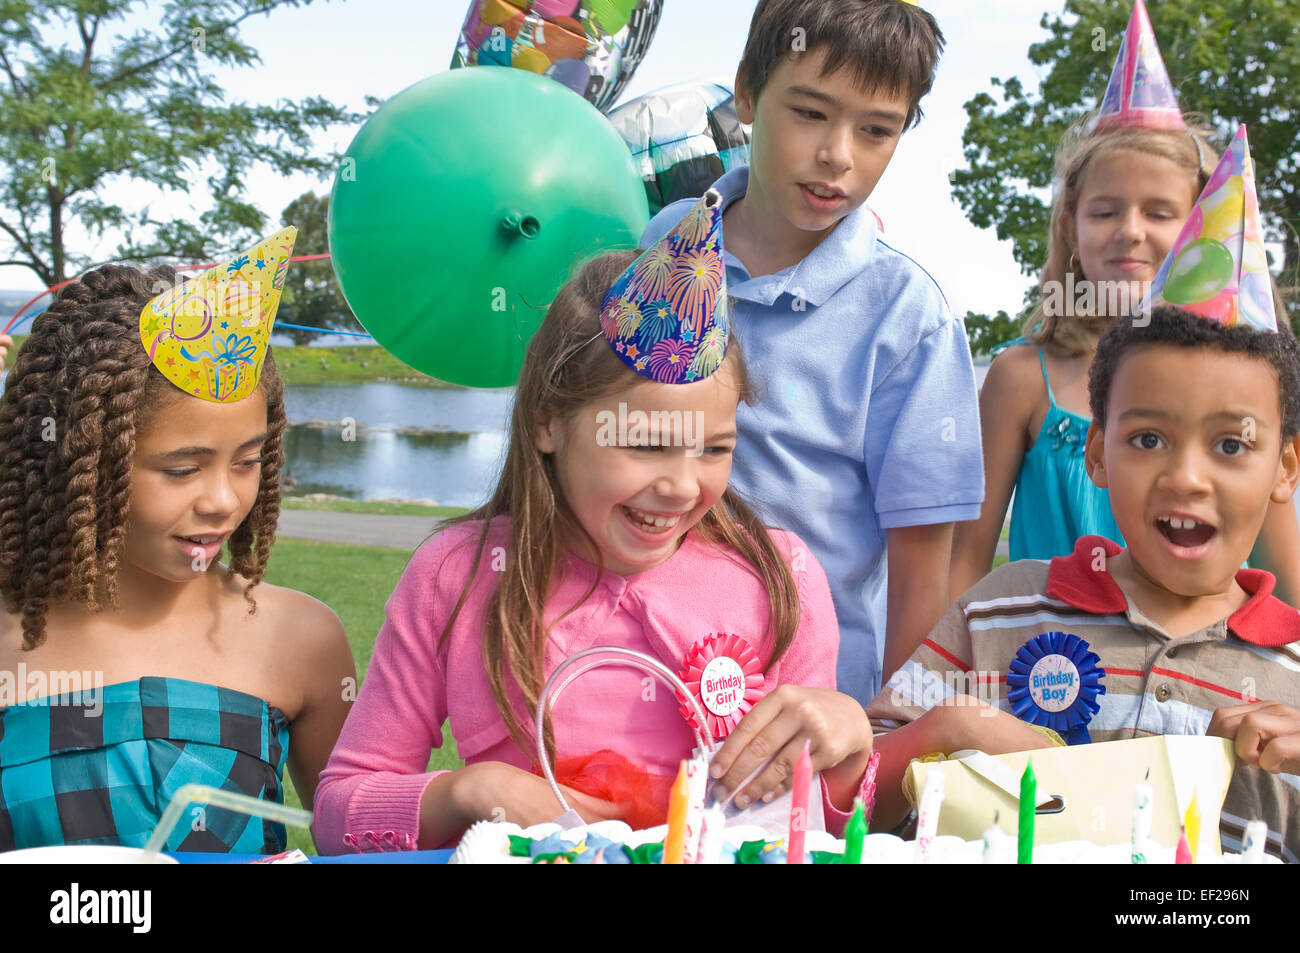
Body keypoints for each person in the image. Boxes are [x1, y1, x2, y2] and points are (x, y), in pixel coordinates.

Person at [314, 196, 875, 853]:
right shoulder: (456, 577)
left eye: (714, 448)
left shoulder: (780, 577)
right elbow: (336, 814)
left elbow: (825, 829)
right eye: (646, 442)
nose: (683, 485)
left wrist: (847, 746)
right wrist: (470, 792)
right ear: (549, 421)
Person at [867, 131, 1300, 861]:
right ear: (1097, 451)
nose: (1187, 477)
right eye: (1148, 439)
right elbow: (853, 789)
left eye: (1230, 445)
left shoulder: (1288, 673)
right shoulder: (995, 616)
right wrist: (944, 731)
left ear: (1285, 468)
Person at [639, 0, 982, 701]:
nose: (838, 155)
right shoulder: (669, 243)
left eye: (877, 129)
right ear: (747, 92)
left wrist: (888, 743)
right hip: (642, 678)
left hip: (810, 710)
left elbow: (922, 574)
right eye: (810, 112)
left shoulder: (909, 317)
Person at [0, 231, 355, 853]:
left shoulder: (301, 640)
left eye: (247, 462)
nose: (223, 500)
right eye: (182, 470)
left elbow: (359, 840)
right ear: (80, 460)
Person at [950, 1, 1300, 604]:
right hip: (1045, 682)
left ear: (1201, 229)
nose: (1130, 230)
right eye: (1105, 211)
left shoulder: (1249, 388)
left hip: (1203, 686)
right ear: (1070, 228)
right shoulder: (1021, 379)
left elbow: (1287, 588)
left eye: (1160, 212)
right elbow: (964, 562)